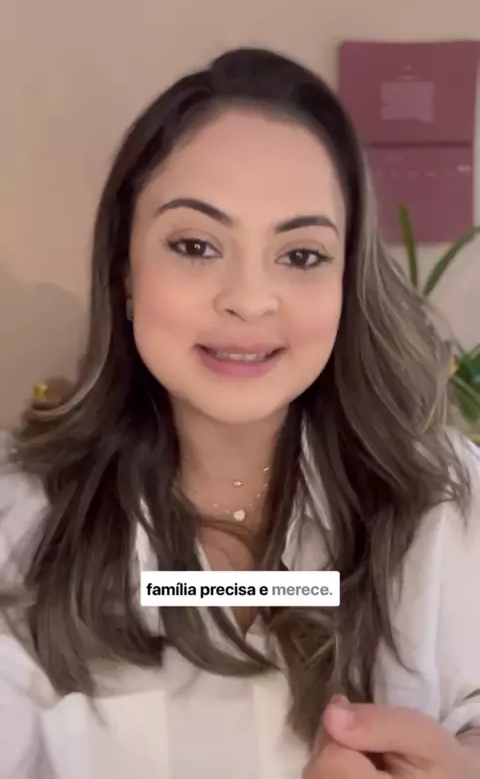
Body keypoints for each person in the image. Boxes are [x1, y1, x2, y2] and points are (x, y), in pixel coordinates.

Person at [0, 47, 479, 779]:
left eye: (302, 255)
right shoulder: (22, 525)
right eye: (196, 246)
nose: (250, 301)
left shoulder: (450, 498)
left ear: (347, 279)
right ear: (125, 268)